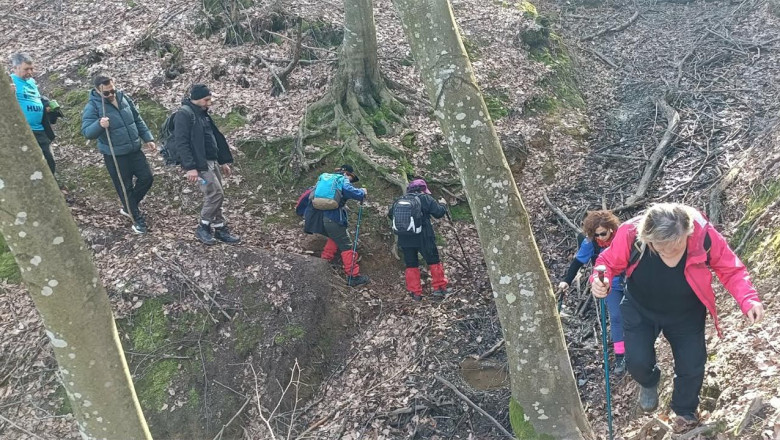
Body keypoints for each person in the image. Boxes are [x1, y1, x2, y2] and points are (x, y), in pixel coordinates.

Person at [590, 203, 764, 432]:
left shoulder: (703, 233)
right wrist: (599, 280)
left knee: (692, 364)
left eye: (677, 245)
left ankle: (684, 411)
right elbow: (608, 262)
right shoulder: (631, 234)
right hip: (640, 308)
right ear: (648, 238)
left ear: (687, 233)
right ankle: (650, 381)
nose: (670, 253)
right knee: (637, 362)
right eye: (661, 248)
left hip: (686, 312)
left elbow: (730, 268)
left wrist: (748, 299)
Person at [81, 75, 155, 234]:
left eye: (112, 90)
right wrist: (99, 125)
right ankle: (136, 219)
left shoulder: (124, 98)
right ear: (97, 91)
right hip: (114, 154)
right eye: (106, 93)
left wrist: (147, 137)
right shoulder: (92, 107)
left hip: (134, 149)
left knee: (147, 177)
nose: (111, 95)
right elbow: (87, 132)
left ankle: (129, 206)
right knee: (125, 187)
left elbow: (137, 119)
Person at [169, 84, 240, 245]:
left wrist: (222, 161)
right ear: (197, 99)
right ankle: (203, 226)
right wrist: (190, 167)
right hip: (199, 166)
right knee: (215, 193)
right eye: (206, 99)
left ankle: (220, 228)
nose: (209, 102)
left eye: (210, 99)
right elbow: (182, 143)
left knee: (217, 196)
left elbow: (212, 138)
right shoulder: (184, 115)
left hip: (211, 161)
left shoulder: (202, 114)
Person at [558, 210, 625, 374]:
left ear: (611, 228)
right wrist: (566, 281)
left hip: (631, 280)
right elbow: (578, 262)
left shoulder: (622, 237)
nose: (600, 237)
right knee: (616, 317)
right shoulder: (590, 243)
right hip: (609, 284)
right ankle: (620, 356)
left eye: (603, 233)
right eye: (596, 235)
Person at [297, 165, 368, 286]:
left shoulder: (325, 181)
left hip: (319, 219)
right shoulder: (342, 180)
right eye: (351, 178)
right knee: (346, 245)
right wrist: (362, 192)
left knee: (335, 238)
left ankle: (324, 261)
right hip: (334, 219)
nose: (351, 181)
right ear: (347, 174)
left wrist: (300, 211)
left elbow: (307, 195)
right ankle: (353, 276)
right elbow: (351, 191)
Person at [388, 179, 449, 301]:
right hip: (424, 236)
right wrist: (443, 204)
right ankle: (439, 288)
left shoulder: (399, 200)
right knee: (433, 260)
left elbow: (390, 214)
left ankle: (415, 293)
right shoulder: (425, 198)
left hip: (405, 238)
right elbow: (438, 213)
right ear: (421, 190)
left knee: (411, 264)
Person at [10, 52, 61, 175]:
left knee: (49, 161)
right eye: (26, 69)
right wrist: (9, 94)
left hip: (40, 128)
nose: (30, 72)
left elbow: (35, 99)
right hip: (24, 131)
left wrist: (46, 107)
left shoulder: (31, 82)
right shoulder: (10, 83)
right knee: (31, 164)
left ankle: (53, 189)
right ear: (15, 68)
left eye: (32, 68)